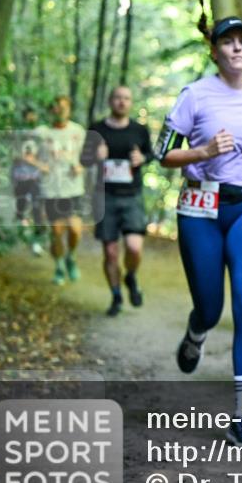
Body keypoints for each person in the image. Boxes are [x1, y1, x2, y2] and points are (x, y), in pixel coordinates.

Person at [157, 14, 242, 447]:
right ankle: (197, 331)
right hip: (200, 207)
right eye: (227, 42)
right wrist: (204, 150)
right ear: (214, 50)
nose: (236, 48)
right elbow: (163, 154)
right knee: (210, 307)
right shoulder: (194, 95)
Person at [81, 86, 153, 316]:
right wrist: (95, 155)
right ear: (110, 101)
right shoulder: (97, 128)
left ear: (130, 102)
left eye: (126, 98)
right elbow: (83, 159)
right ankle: (116, 296)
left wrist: (142, 158)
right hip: (105, 196)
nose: (122, 102)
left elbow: (151, 155)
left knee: (134, 247)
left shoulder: (139, 130)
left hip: (132, 196)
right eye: (118, 98)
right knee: (110, 253)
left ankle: (130, 277)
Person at [34, 95, 87, 285]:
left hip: (73, 188)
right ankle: (58, 267)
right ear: (51, 110)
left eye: (64, 107)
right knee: (56, 231)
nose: (60, 110)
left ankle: (71, 257)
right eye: (56, 107)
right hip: (51, 189)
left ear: (69, 110)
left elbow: (87, 156)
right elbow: (26, 155)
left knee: (74, 229)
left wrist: (81, 166)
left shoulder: (78, 131)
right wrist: (41, 166)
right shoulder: (42, 132)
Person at [11, 107, 48, 254]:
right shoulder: (17, 135)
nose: (32, 118)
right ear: (25, 117)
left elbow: (44, 159)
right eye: (29, 116)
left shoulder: (40, 137)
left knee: (38, 211)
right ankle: (25, 236)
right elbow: (15, 156)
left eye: (34, 116)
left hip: (35, 179)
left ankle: (36, 243)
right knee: (21, 211)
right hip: (20, 178)